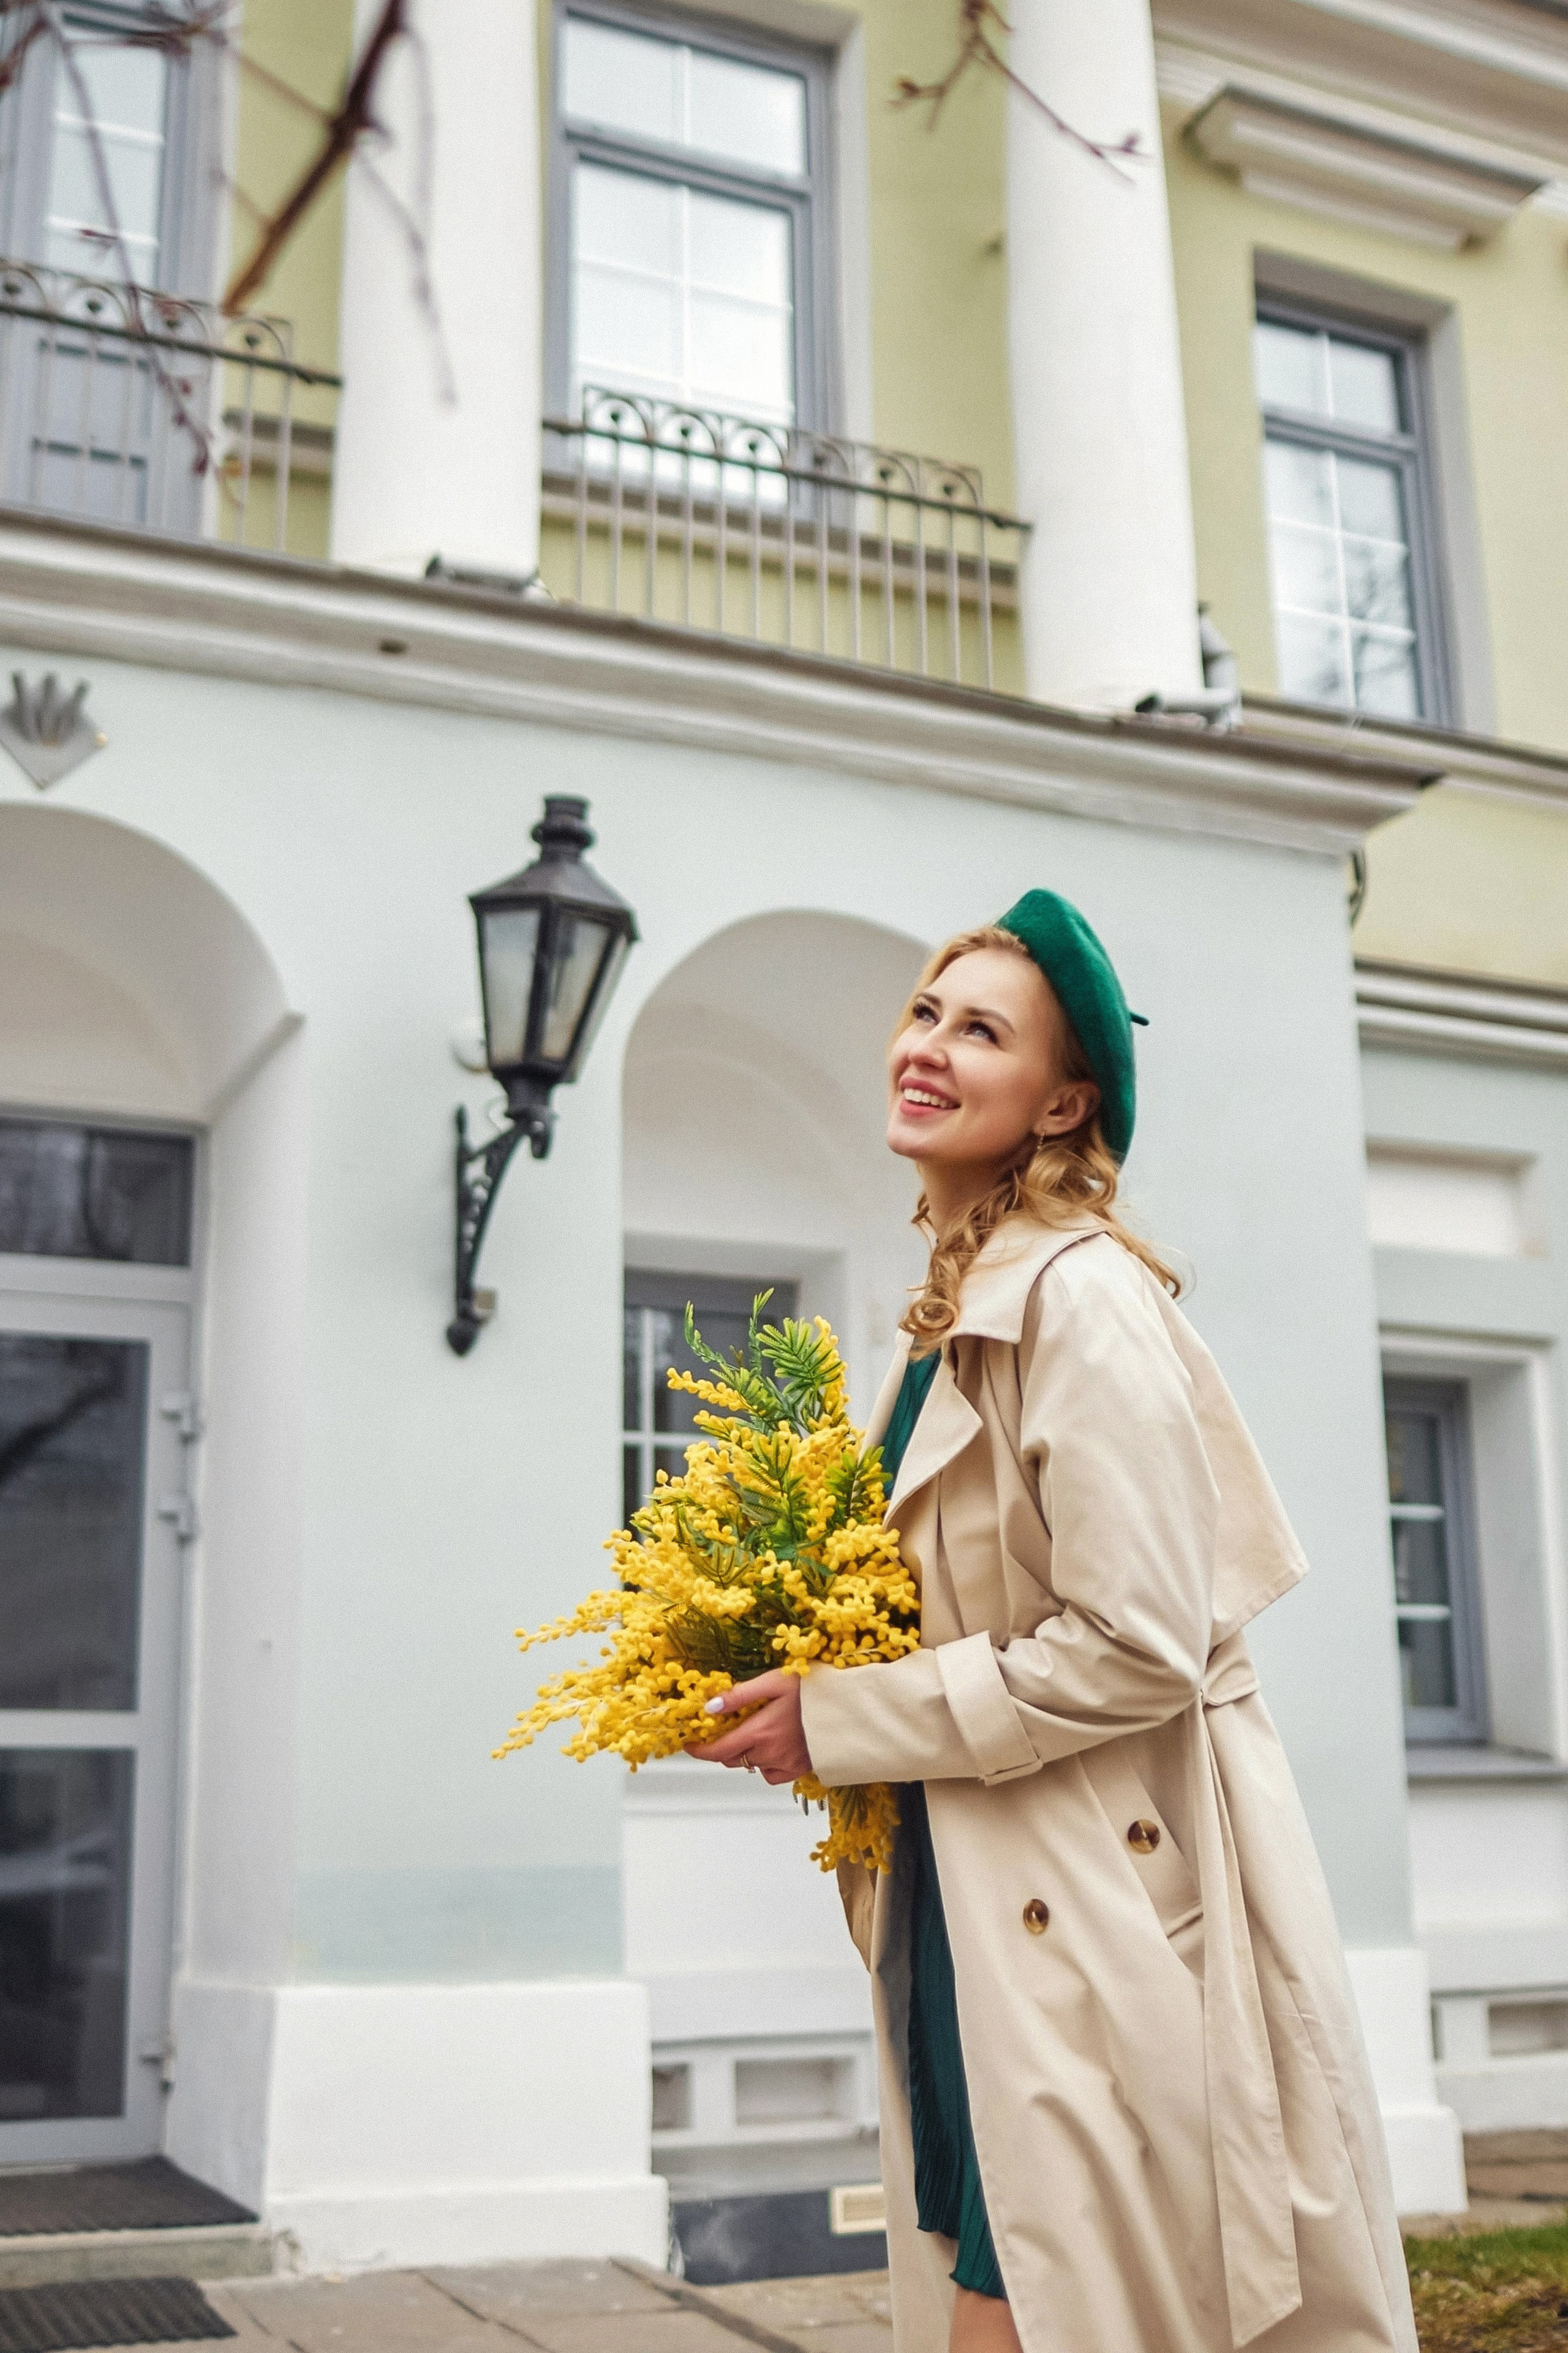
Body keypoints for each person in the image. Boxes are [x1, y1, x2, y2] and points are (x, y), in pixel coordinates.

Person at [688, 892, 1419, 2353]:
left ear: (1061, 1098)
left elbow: (1137, 1642)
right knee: (1002, 2283)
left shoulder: (1081, 1302)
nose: (927, 1047)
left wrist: (842, 1715)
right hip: (979, 1889)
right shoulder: (953, 1308)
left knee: (1037, 2294)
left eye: (980, 1030)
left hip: (1093, 1903)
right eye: (921, 1013)